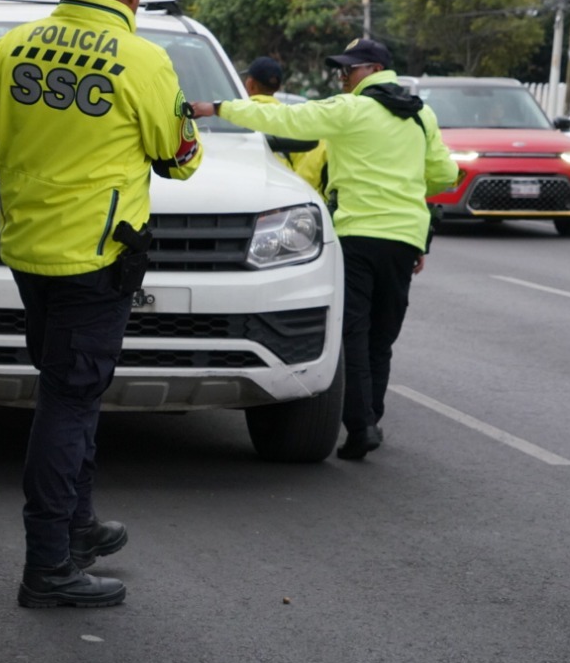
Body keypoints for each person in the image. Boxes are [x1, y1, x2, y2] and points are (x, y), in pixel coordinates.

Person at [0, 0, 203, 608]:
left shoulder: (13, 47)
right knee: (70, 403)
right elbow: (177, 158)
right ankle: (48, 563)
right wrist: (183, 131)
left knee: (69, 391)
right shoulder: (144, 60)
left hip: (29, 252)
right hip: (98, 257)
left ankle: (77, 528)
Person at [188, 38, 457, 460]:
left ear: (369, 69)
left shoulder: (350, 110)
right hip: (405, 240)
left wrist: (218, 108)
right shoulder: (422, 115)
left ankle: (361, 425)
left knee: (353, 331)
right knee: (382, 336)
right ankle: (372, 418)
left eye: (347, 71)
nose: (342, 78)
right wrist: (406, 185)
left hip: (358, 235)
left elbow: (288, 119)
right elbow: (444, 174)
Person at [240, 56, 329, 199]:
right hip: (286, 204)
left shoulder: (235, 117)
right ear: (278, 87)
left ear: (250, 84)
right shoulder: (294, 119)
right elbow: (313, 165)